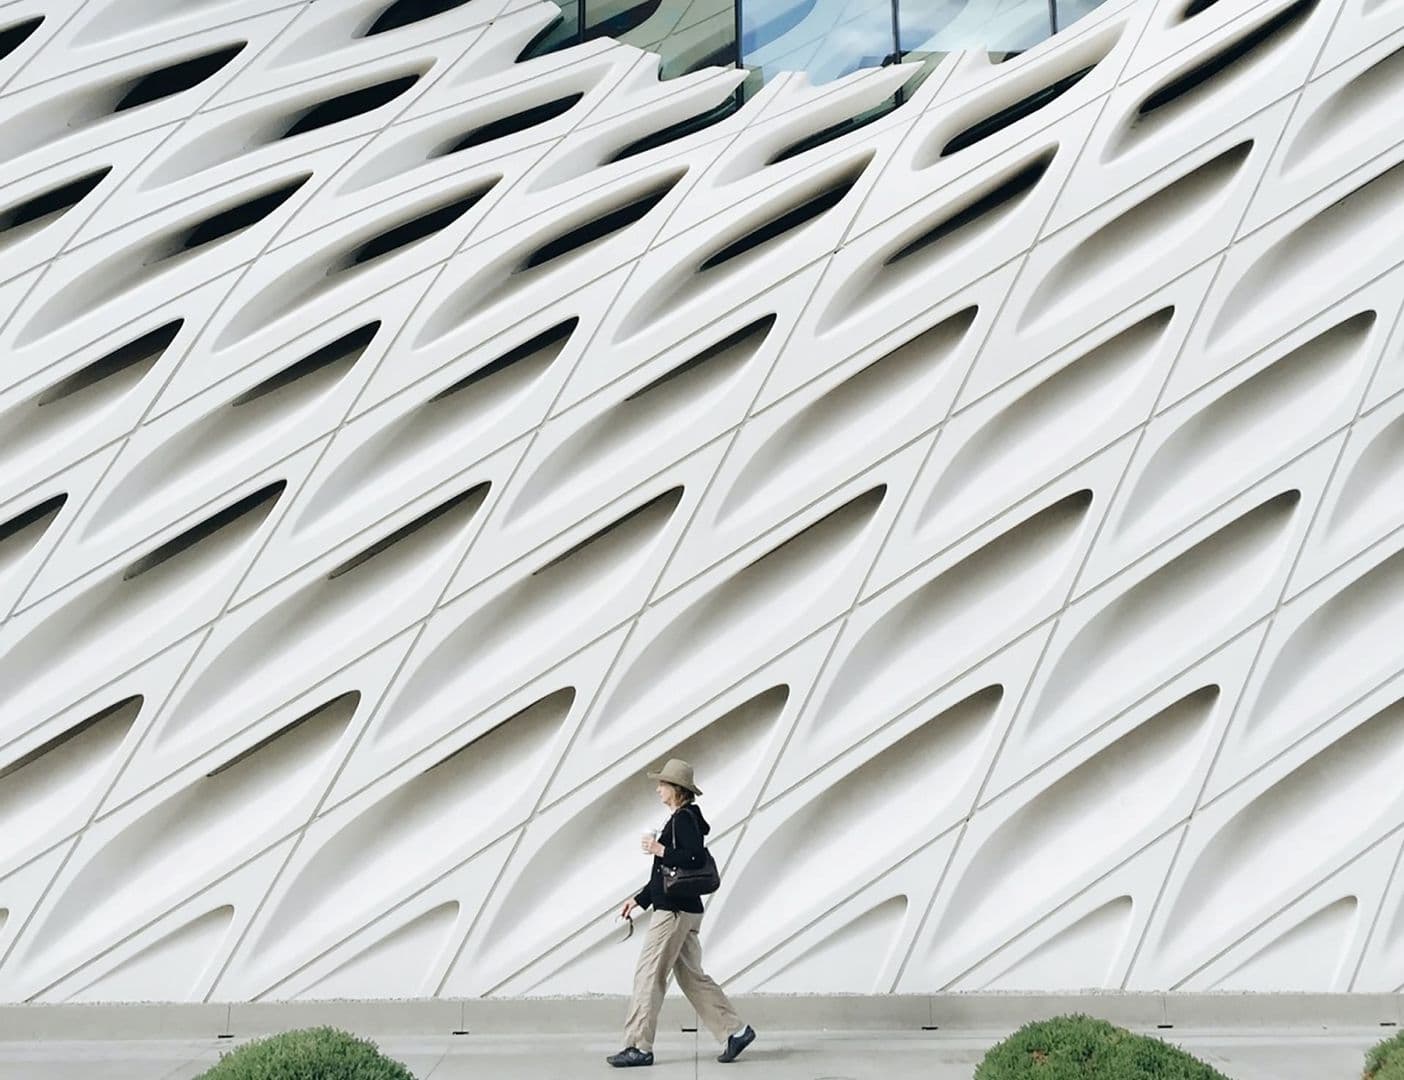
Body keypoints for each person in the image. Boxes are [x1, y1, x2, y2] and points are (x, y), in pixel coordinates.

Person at [606, 758, 756, 1068]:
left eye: (662, 784)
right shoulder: (684, 819)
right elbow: (666, 875)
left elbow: (693, 858)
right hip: (685, 910)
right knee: (692, 977)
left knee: (648, 975)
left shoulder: (683, 819)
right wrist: (639, 899)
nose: (658, 789)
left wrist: (659, 849)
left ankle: (638, 1047)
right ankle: (735, 1032)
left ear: (676, 788)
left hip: (672, 913)